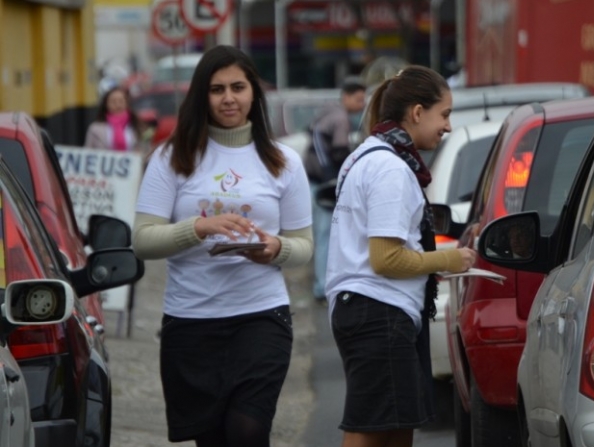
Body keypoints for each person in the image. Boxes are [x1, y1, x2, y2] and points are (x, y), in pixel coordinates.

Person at [131, 45, 313, 447]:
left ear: (253, 93)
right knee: (212, 439)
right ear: (202, 95)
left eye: (237, 87)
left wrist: (275, 248)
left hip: (261, 316)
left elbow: (304, 246)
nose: (229, 98)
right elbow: (142, 241)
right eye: (217, 89)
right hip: (191, 322)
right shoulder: (172, 158)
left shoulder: (282, 161)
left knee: (247, 431)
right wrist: (197, 228)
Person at [325, 65, 477, 447]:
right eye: (444, 113)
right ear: (416, 112)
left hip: (369, 310)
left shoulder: (368, 156)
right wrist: (448, 261)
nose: (447, 125)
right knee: (372, 429)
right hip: (379, 311)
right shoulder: (391, 168)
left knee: (393, 430)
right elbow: (386, 259)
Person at [303, 77, 367, 304]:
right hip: (324, 185)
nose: (362, 105)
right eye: (359, 100)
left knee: (321, 236)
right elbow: (339, 151)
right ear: (346, 97)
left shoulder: (327, 113)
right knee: (326, 236)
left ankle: (322, 284)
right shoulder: (341, 119)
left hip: (313, 181)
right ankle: (323, 287)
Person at [85, 85, 149, 152]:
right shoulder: (95, 129)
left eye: (121, 101)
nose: (118, 105)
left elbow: (146, 151)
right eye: (113, 102)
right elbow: (88, 153)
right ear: (106, 104)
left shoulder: (138, 127)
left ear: (127, 103)